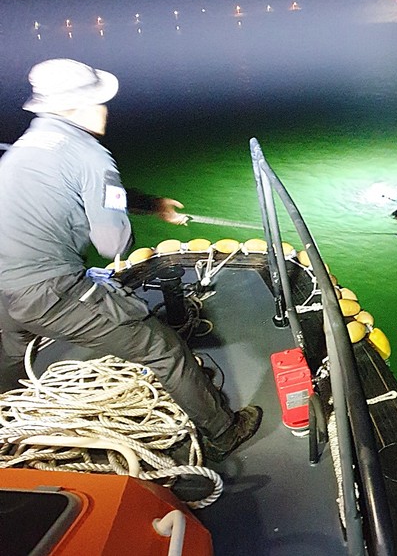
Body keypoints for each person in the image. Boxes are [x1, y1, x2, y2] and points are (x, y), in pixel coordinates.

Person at [0, 58, 261, 462]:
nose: (105, 109)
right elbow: (112, 242)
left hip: (5, 292)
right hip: (49, 292)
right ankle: (224, 432)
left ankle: (10, 423)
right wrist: (119, 214)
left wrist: (153, 205)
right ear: (75, 107)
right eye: (98, 101)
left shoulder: (27, 145)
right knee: (164, 349)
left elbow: (78, 189)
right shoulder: (90, 155)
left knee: (11, 356)